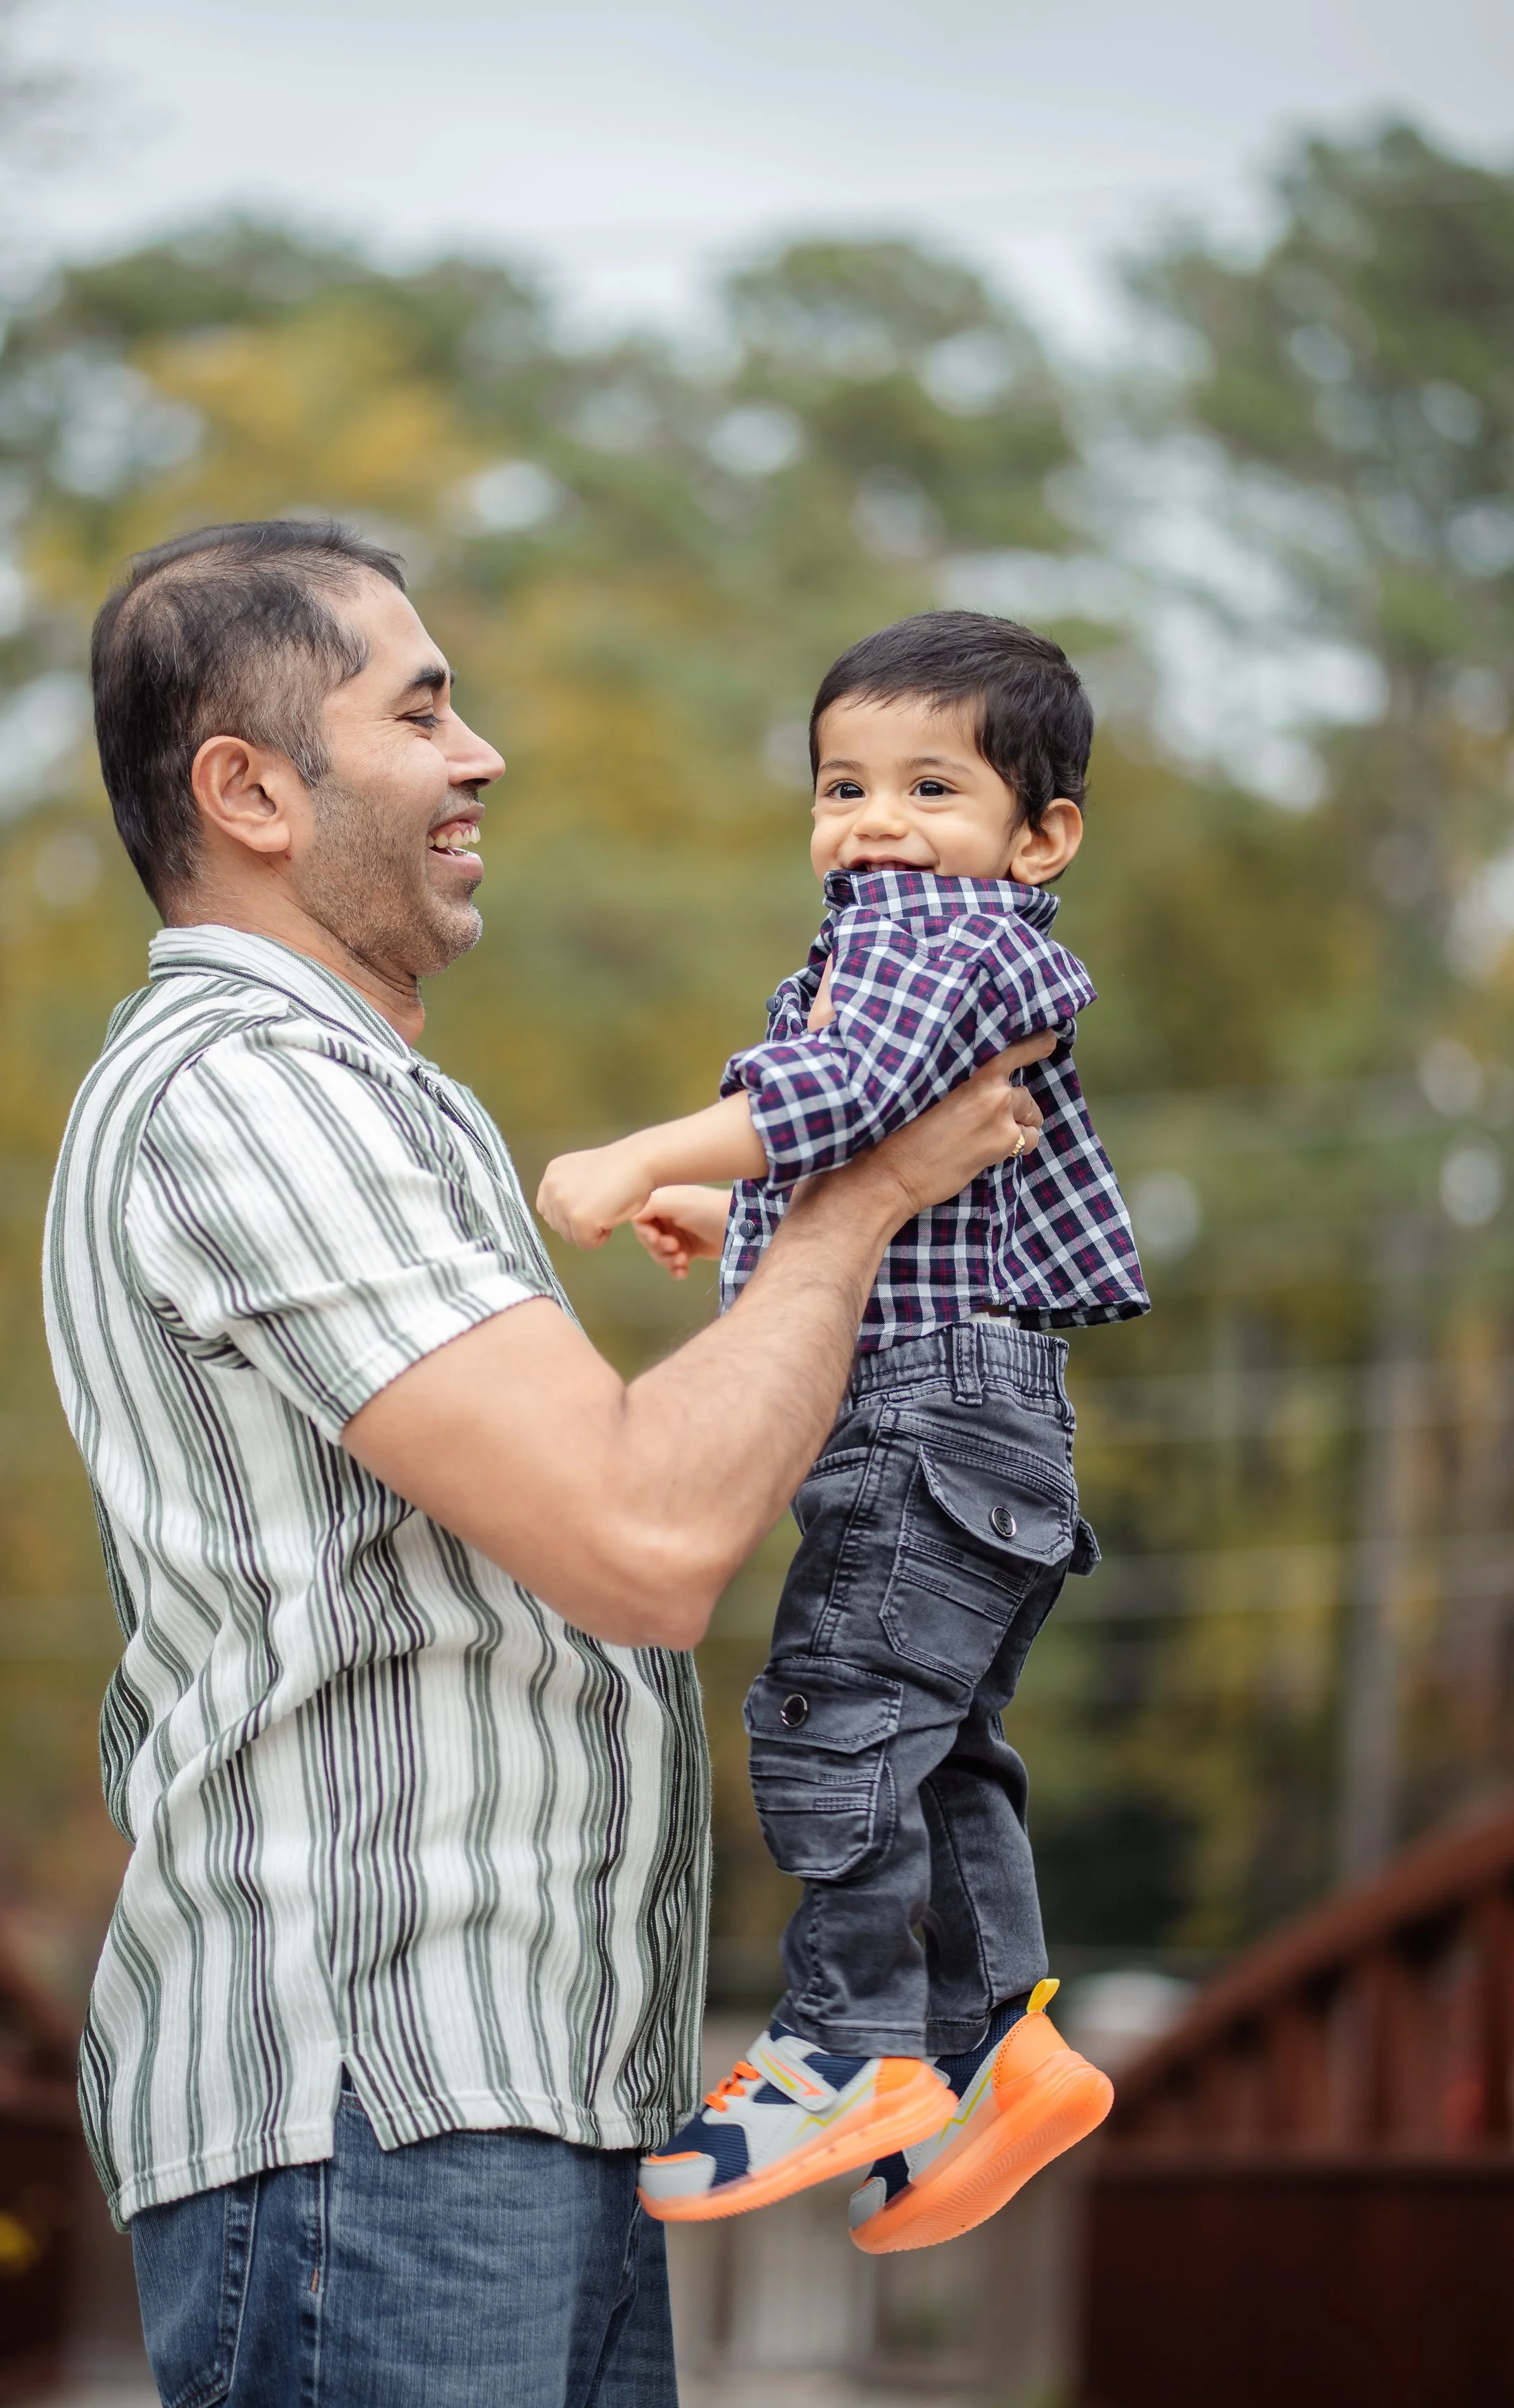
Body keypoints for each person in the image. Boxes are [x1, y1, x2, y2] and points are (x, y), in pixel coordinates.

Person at [43, 522, 1049, 2407]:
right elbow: (645, 1533)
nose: (480, 751)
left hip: (520, 2099)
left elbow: (616, 1491)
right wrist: (859, 1198)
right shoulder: (246, 1092)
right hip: (379, 2104)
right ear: (252, 790)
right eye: (421, 709)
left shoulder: (370, 1099)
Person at [537, 610, 1149, 2256]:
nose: (873, 823)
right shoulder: (945, 934)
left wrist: (622, 1159)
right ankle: (988, 2050)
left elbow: (833, 1095)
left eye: (929, 785)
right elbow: (856, 1125)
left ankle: (847, 2048)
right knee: (934, 1749)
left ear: (1042, 836)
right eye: (840, 784)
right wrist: (706, 1194)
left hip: (923, 1411)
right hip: (988, 1423)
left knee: (832, 1717)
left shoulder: (929, 932)